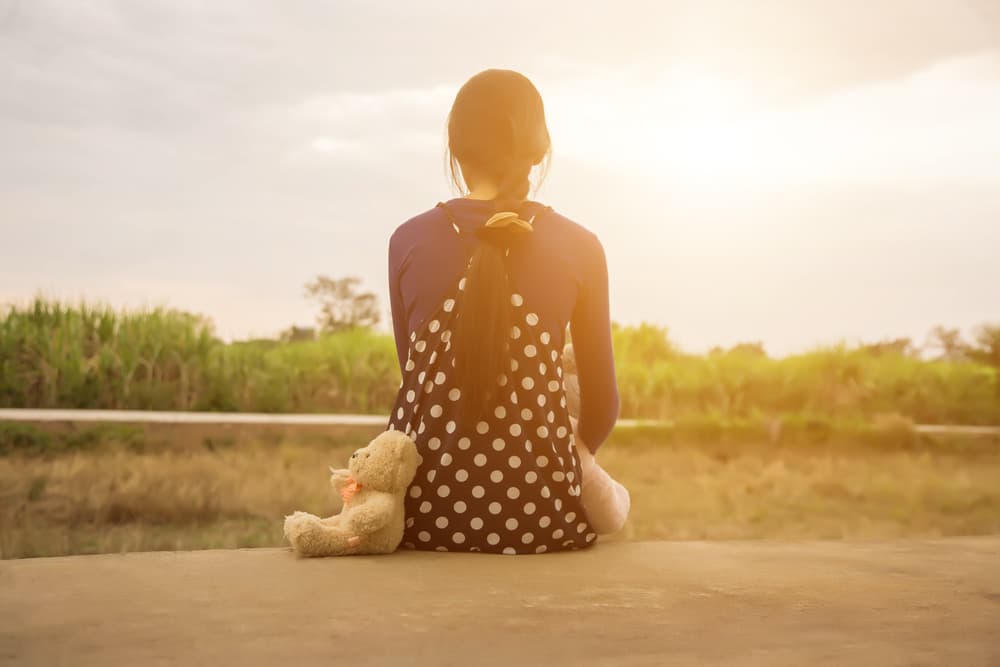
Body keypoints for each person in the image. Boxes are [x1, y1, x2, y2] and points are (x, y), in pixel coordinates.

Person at [387, 69, 628, 555]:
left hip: (422, 519)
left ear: (454, 149)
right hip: (545, 520)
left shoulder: (407, 240)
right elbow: (602, 404)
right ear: (539, 151)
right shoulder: (581, 247)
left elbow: (414, 378)